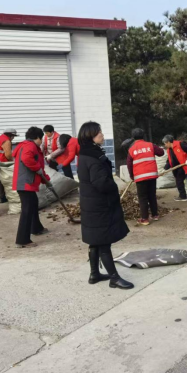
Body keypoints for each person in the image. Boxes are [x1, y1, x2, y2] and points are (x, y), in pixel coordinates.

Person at [78, 121, 134, 290]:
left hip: (91, 204)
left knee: (95, 240)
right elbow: (101, 183)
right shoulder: (94, 158)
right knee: (103, 242)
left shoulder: (86, 154)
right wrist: (113, 187)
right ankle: (114, 278)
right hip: (99, 205)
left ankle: (94, 274)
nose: (102, 134)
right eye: (99, 132)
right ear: (90, 137)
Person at [12, 127, 51, 249]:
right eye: (41, 139)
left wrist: (46, 180)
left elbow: (39, 167)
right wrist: (37, 168)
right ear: (37, 137)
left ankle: (36, 228)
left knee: (33, 203)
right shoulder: (30, 146)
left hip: (25, 182)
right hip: (26, 183)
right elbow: (27, 159)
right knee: (27, 210)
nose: (42, 141)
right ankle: (22, 240)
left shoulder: (26, 145)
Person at [127, 128, 165, 225]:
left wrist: (132, 176)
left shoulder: (131, 149)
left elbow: (129, 165)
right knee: (152, 195)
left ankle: (145, 219)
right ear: (143, 136)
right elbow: (161, 152)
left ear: (133, 137)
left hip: (140, 177)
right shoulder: (150, 145)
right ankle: (155, 215)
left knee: (143, 197)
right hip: (152, 175)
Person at [163, 135, 187, 204]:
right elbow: (170, 160)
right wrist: (165, 168)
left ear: (168, 142)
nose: (165, 145)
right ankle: (183, 196)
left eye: (165, 143)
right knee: (179, 181)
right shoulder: (169, 150)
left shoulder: (181, 144)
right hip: (180, 167)